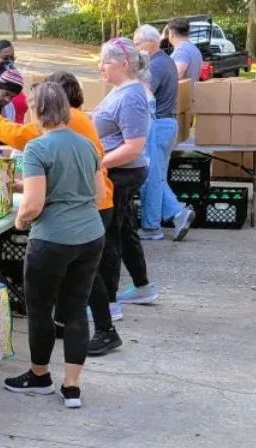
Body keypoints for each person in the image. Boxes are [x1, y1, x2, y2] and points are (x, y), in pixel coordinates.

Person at [0, 71, 122, 356]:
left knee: (84, 278)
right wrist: (24, 184)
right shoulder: (76, 122)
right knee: (81, 275)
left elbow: (22, 138)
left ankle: (105, 330)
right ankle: (69, 332)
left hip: (84, 209)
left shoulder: (56, 128)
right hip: (94, 203)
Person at [5, 83, 106, 409]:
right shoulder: (88, 144)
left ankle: (39, 376)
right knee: (76, 309)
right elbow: (99, 195)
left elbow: (33, 205)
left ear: (38, 111)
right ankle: (72, 386)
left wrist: (20, 223)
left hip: (51, 240)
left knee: (40, 309)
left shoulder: (37, 148)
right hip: (90, 236)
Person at [93, 38, 157, 307]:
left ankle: (108, 302)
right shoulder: (120, 90)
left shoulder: (131, 96)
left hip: (121, 174)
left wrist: (99, 164)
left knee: (110, 237)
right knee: (125, 230)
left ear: (124, 63)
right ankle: (143, 286)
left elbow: (134, 147)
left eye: (106, 62)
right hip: (118, 172)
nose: (100, 67)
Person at [134, 24, 193, 242]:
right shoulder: (167, 61)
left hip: (157, 125)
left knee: (150, 177)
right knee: (156, 176)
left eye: (138, 43)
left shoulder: (156, 66)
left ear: (150, 42)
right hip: (167, 125)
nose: (136, 47)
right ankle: (178, 214)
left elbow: (144, 93)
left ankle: (153, 226)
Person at [167, 17, 203, 85]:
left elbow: (177, 74)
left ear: (171, 33)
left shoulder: (181, 51)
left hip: (182, 95)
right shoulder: (194, 49)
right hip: (191, 94)